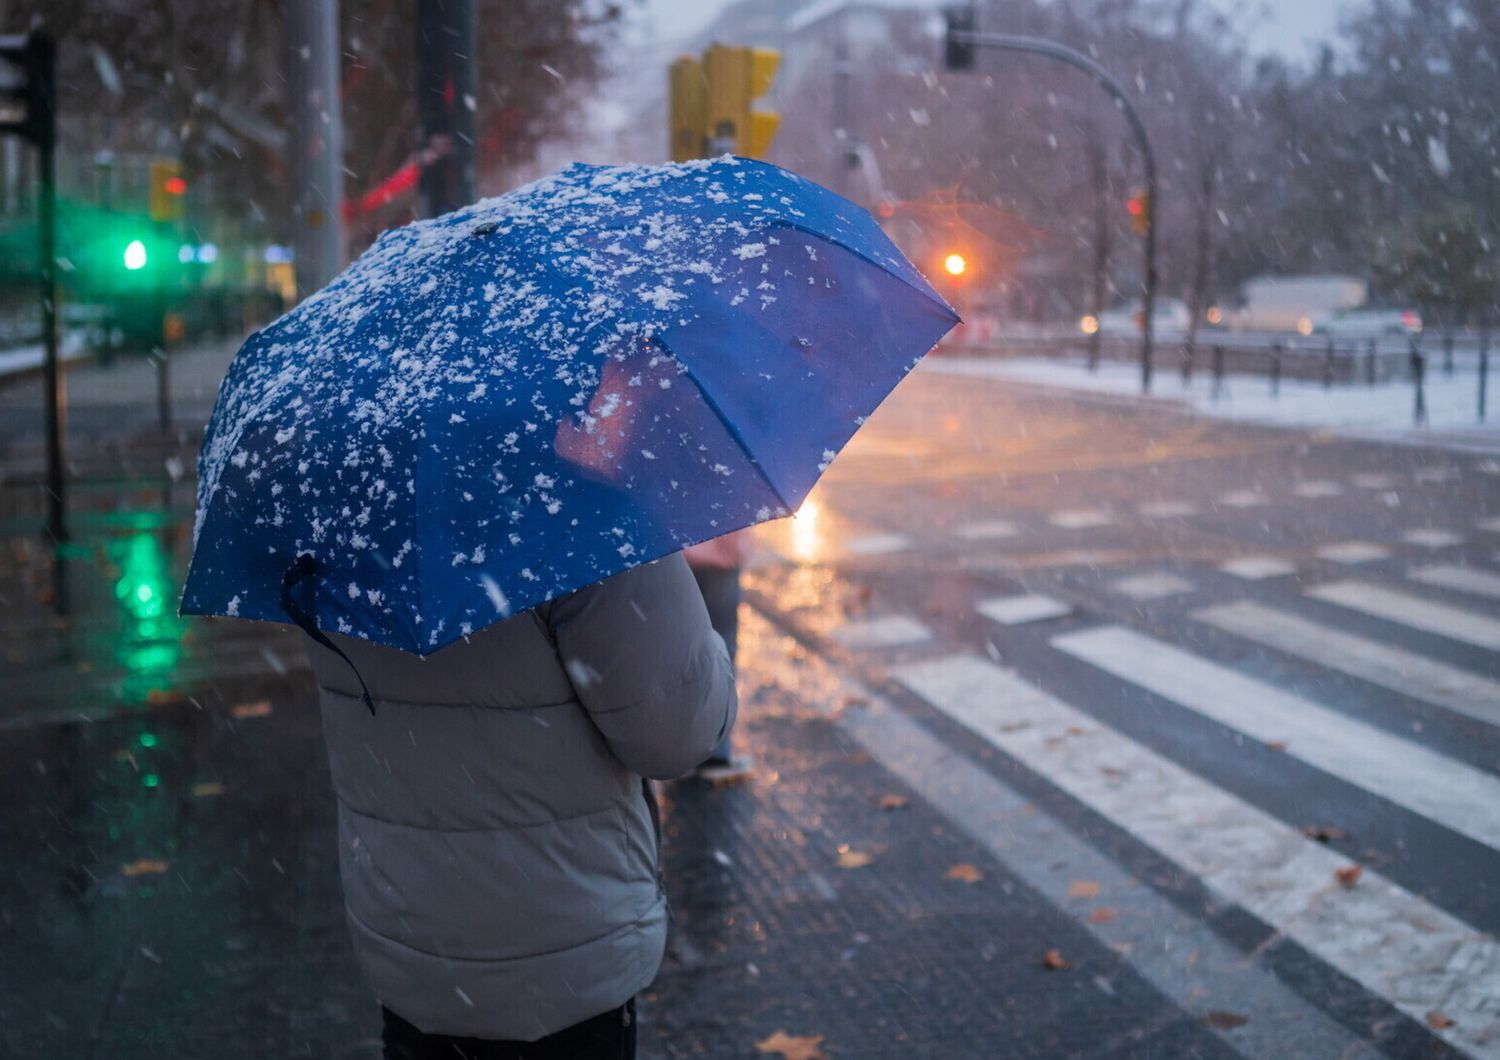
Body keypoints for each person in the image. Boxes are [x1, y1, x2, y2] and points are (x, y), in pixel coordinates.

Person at [302, 553, 737, 1059]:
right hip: (564, 957)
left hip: (407, 939)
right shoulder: (586, 509)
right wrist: (711, 646)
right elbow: (678, 734)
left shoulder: (344, 515)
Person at [683, 530, 752, 780]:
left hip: (674, 554)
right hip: (720, 550)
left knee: (681, 650)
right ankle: (714, 750)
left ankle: (681, 748)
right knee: (720, 652)